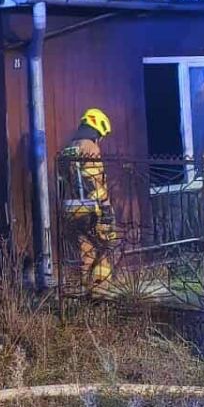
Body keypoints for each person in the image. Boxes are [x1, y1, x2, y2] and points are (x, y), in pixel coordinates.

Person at [59, 108, 116, 293]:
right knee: (103, 249)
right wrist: (106, 210)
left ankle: (84, 292)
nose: (99, 139)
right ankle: (100, 294)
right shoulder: (90, 147)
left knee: (86, 252)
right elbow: (94, 181)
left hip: (71, 208)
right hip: (92, 209)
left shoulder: (68, 148)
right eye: (100, 135)